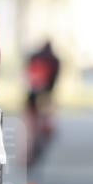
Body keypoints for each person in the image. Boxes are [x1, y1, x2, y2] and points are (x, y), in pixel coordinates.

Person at [24, 40, 61, 169]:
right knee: (46, 119)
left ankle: (30, 148)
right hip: (46, 95)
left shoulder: (34, 58)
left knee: (31, 125)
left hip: (33, 95)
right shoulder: (55, 60)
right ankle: (43, 136)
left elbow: (27, 76)